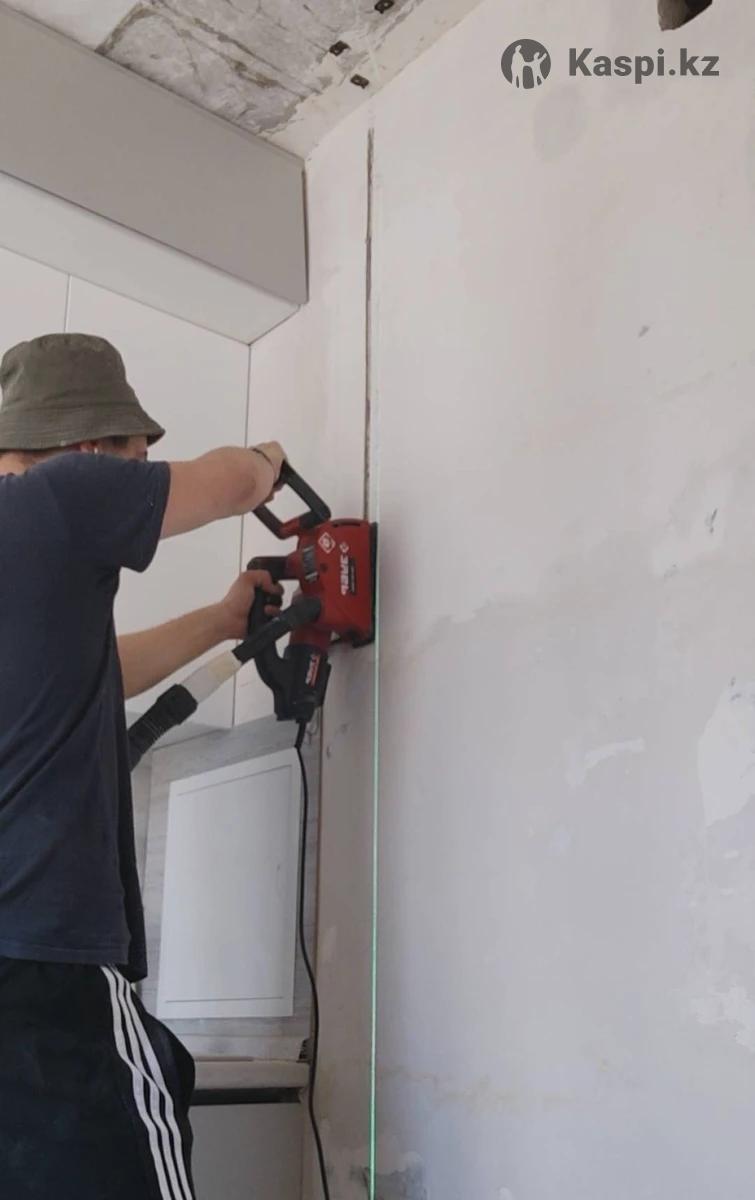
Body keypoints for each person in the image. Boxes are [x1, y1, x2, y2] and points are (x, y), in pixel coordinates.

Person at [0, 332, 287, 1200]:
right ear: (92, 447)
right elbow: (232, 482)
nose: (140, 471)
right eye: (136, 455)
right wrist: (271, 461)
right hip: (42, 966)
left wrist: (220, 621)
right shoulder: (60, 495)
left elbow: (93, 672)